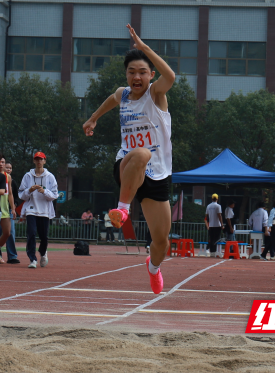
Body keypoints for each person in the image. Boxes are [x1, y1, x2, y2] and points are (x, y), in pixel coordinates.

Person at [82, 24, 175, 294]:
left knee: (162, 241)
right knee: (141, 153)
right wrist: (92, 119)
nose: (136, 77)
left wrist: (144, 48)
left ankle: (154, 267)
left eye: (142, 72)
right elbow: (112, 98)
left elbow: (170, 76)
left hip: (157, 174)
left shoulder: (156, 94)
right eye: (131, 72)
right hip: (128, 166)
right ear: (126, 75)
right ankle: (123, 209)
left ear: (150, 75)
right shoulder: (123, 95)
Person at [18, 152, 58, 268]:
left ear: (44, 161)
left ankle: (43, 252)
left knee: (44, 236)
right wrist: (29, 190)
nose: (39, 161)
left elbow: (54, 195)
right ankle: (32, 259)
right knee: (31, 233)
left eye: (41, 159)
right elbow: (21, 194)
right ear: (34, 161)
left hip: (45, 210)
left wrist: (44, 191)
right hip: (31, 209)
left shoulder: (50, 176)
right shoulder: (28, 176)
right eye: (37, 159)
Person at [0, 157, 18, 265]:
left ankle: (11, 256)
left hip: (5, 210)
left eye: (4, 162)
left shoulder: (8, 178)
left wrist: (13, 208)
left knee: (9, 233)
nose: (2, 164)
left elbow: (12, 194)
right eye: (1, 162)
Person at [206, 194, 224, 258]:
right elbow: (219, 215)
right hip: (217, 225)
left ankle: (212, 252)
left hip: (211, 225)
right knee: (217, 239)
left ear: (211, 199)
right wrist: (222, 224)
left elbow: (207, 215)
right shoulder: (218, 206)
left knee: (211, 239)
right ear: (217, 199)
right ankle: (216, 251)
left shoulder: (208, 206)